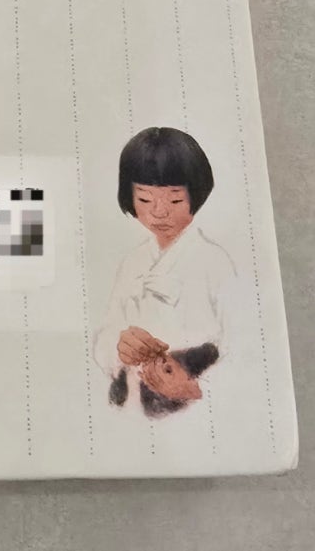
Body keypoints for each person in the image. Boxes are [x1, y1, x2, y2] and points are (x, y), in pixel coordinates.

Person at [93, 127, 236, 417]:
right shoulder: (132, 263)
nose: (159, 212)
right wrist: (120, 348)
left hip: (196, 411)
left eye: (174, 200)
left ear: (196, 196)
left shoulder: (215, 262)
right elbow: (106, 335)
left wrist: (192, 388)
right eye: (145, 199)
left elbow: (243, 347)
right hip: (132, 406)